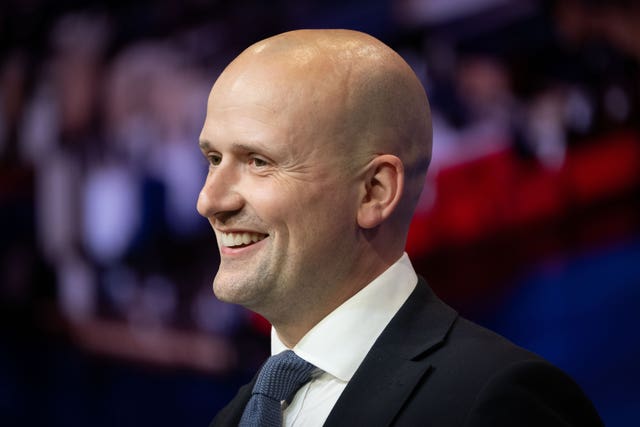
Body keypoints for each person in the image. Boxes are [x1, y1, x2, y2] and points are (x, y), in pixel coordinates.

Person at [197, 29, 603, 426]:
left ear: (374, 191)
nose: (210, 201)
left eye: (258, 161)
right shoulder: (232, 419)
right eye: (214, 159)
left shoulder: (499, 401)